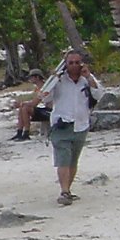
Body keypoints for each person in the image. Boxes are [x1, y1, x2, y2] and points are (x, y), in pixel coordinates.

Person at [35, 50, 99, 205]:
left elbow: (98, 94)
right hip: (61, 125)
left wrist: (89, 77)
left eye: (77, 62)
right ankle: (64, 191)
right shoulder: (59, 81)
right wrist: (53, 79)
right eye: (71, 63)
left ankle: (67, 190)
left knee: (73, 161)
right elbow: (46, 97)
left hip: (81, 124)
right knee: (63, 160)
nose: (74, 66)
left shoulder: (86, 80)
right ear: (66, 64)